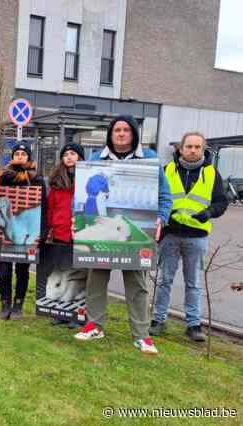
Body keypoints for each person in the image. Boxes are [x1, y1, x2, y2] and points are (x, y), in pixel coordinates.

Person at [74, 115, 172, 355]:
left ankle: (142, 335)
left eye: (125, 130)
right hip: (102, 227)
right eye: (116, 130)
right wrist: (74, 221)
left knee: (137, 283)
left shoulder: (149, 160)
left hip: (133, 228)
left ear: (133, 134)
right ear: (110, 133)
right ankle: (94, 325)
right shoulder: (97, 159)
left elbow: (164, 196)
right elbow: (80, 195)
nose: (120, 134)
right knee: (96, 277)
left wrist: (161, 218)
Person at [150, 132, 228, 342]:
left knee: (193, 282)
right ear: (181, 149)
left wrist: (209, 213)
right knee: (164, 280)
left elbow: (222, 202)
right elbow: (155, 197)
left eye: (197, 147)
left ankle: (193, 325)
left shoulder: (212, 173)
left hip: (196, 236)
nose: (193, 150)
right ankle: (158, 320)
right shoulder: (167, 170)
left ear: (203, 150)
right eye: (189, 146)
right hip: (170, 234)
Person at [0, 141, 47, 320]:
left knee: (22, 270)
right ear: (12, 157)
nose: (20, 157)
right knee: (3, 270)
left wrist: (42, 231)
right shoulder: (3, 176)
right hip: (5, 231)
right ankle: (4, 304)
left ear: (28, 157)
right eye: (17, 154)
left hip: (26, 232)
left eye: (23, 154)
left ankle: (18, 305)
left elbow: (43, 205)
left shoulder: (36, 178)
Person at [41, 143, 86, 328]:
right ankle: (62, 312)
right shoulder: (56, 183)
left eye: (73, 153)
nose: (69, 157)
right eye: (66, 154)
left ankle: (78, 314)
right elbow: (51, 208)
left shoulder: (87, 180)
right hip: (61, 233)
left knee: (81, 275)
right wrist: (49, 229)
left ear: (80, 158)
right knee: (64, 274)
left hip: (82, 233)